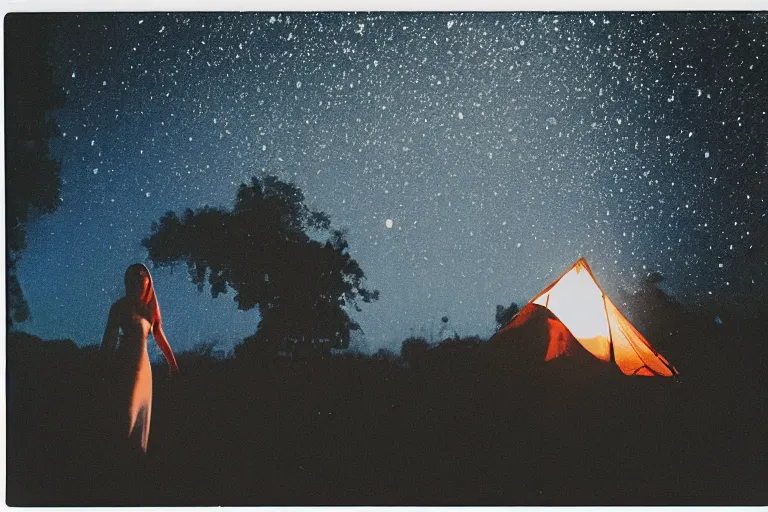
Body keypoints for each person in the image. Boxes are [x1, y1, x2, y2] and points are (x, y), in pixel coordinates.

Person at [100, 263, 179, 455]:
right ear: (129, 283)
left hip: (144, 370)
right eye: (134, 283)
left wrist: (173, 364)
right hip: (125, 365)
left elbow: (158, 332)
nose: (139, 288)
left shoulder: (148, 309)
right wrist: (103, 367)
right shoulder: (119, 307)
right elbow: (108, 340)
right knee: (125, 421)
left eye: (142, 284)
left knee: (140, 430)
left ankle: (134, 470)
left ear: (147, 285)